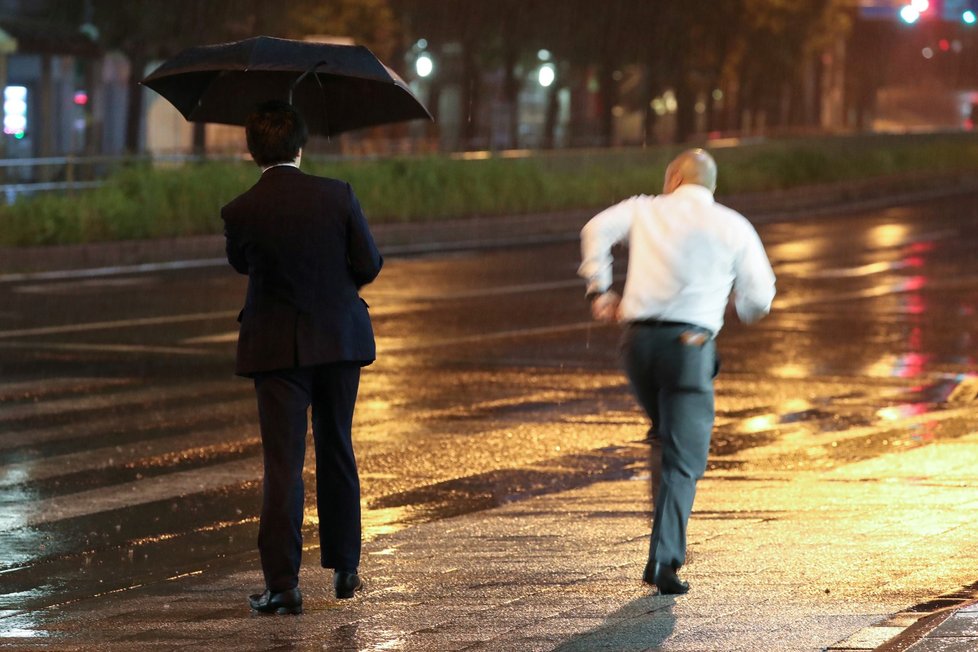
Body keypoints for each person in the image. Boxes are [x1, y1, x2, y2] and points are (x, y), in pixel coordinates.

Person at [578, 148, 775, 594]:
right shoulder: (733, 224)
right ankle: (665, 560)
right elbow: (759, 298)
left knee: (665, 436)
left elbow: (595, 229)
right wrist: (737, 306)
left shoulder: (644, 210)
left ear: (672, 179)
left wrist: (601, 289)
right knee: (684, 457)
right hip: (689, 347)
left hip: (637, 344)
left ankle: (660, 537)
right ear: (711, 186)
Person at [222, 100, 383, 614]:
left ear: (252, 150)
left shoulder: (241, 209)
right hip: (337, 340)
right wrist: (334, 286)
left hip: (275, 351)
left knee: (283, 465)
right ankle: (346, 566)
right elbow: (369, 262)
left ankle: (283, 584)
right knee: (337, 446)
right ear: (301, 145)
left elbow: (242, 264)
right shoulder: (337, 196)